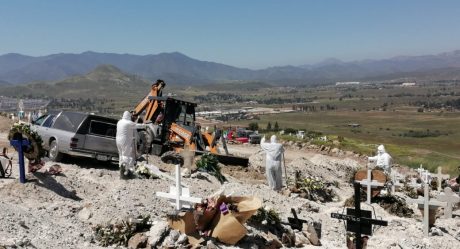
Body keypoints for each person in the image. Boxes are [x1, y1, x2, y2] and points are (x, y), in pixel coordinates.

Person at [116, 111, 145, 179]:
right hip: (124, 141)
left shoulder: (119, 122)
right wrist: (145, 125)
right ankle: (125, 173)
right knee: (126, 156)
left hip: (118, 140)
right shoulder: (128, 122)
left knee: (121, 155)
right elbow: (138, 125)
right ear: (128, 116)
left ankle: (121, 170)